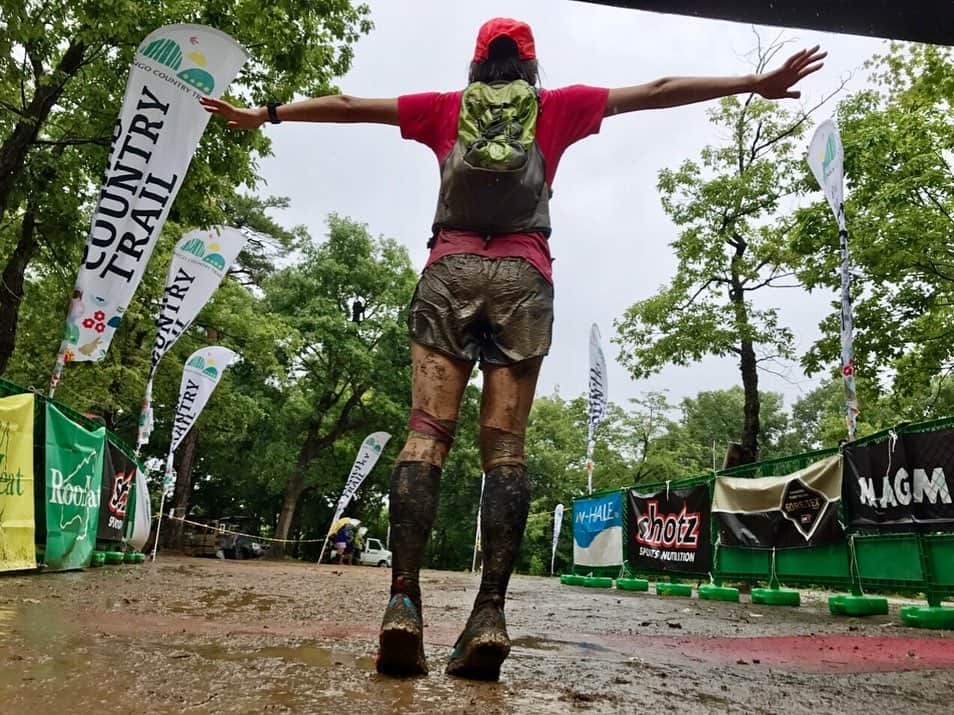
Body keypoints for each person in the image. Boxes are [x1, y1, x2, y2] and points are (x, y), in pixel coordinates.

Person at [201, 17, 825, 680]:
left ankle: (403, 606)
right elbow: (659, 88)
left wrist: (264, 113)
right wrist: (755, 81)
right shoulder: (556, 108)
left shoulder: (444, 110)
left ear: (476, 66)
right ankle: (489, 614)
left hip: (449, 272)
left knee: (425, 437)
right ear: (530, 67)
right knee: (506, 451)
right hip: (524, 280)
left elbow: (352, 108)